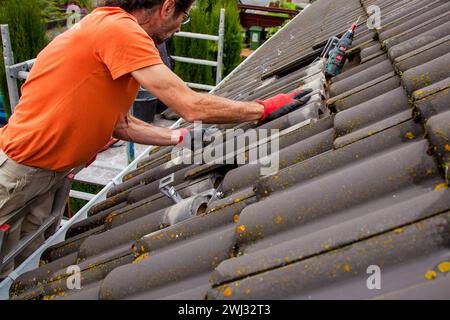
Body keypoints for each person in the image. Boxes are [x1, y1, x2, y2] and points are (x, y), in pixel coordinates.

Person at [0, 0, 311, 279]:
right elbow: (189, 105)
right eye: (183, 17)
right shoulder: (121, 29)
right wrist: (263, 108)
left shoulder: (110, 27)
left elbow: (120, 124)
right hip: (20, 172)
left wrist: (181, 137)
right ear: (167, 7)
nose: (178, 27)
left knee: (26, 271)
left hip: (51, 175)